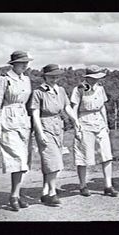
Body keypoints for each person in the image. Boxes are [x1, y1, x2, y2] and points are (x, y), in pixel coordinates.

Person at [30, 64, 80, 206]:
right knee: (53, 160)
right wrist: (40, 133)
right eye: (51, 76)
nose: (54, 79)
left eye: (56, 76)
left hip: (58, 127)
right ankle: (52, 192)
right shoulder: (38, 92)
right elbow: (35, 114)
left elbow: (67, 107)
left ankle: (45, 191)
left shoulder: (61, 90)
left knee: (51, 161)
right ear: (45, 76)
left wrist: (75, 120)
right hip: (45, 127)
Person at [0, 51, 33, 211]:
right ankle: (14, 196)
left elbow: (28, 104)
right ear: (13, 64)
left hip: (23, 122)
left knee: (23, 162)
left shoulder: (26, 79)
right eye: (21, 62)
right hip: (8, 121)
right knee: (17, 159)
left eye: (26, 62)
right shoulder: (5, 79)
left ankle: (16, 194)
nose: (25, 65)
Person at [70, 65, 118, 197]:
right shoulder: (79, 89)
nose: (94, 80)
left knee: (106, 155)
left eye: (97, 78)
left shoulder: (100, 88)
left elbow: (102, 107)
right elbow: (74, 108)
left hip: (100, 123)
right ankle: (83, 185)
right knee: (83, 155)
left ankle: (108, 185)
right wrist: (76, 125)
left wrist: (106, 123)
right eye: (92, 78)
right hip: (84, 121)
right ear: (87, 77)